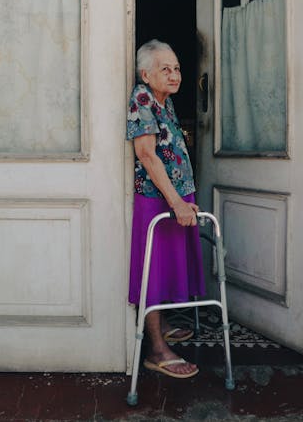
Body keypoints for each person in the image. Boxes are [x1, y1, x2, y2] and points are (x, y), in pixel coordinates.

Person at [126, 39, 204, 379]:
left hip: (174, 198)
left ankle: (164, 324)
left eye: (176, 68)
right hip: (158, 200)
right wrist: (175, 202)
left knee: (167, 267)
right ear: (146, 74)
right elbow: (146, 154)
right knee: (152, 273)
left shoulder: (165, 102)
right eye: (165, 69)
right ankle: (156, 350)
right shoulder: (142, 98)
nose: (174, 75)